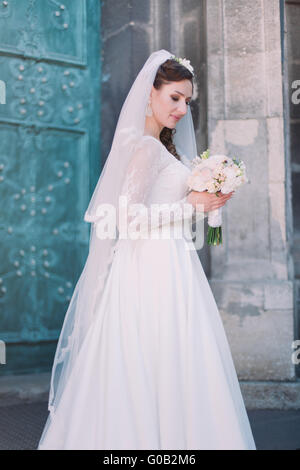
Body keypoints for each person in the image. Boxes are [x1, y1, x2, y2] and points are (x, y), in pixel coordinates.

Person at [37, 49, 256, 450]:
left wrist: (205, 199)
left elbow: (164, 212)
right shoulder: (144, 148)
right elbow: (128, 217)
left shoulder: (163, 149)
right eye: (174, 97)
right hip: (149, 267)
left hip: (171, 260)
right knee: (153, 355)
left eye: (186, 101)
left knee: (174, 357)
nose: (181, 109)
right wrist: (192, 204)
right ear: (150, 93)